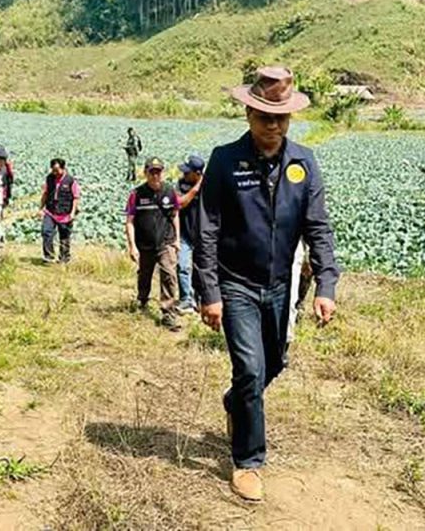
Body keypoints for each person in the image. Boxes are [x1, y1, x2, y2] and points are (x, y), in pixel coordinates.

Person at [194, 66, 340, 503]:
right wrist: (210, 292)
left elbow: (318, 228)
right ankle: (248, 461)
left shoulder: (303, 162)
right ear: (248, 114)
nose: (273, 126)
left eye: (281, 117)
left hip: (281, 285)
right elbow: (206, 230)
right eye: (264, 117)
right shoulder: (225, 160)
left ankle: (237, 402)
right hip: (235, 283)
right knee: (250, 369)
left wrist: (326, 285)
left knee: (274, 362)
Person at [125, 157, 182, 331]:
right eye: (152, 172)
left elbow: (175, 215)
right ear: (145, 173)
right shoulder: (136, 194)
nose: (155, 175)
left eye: (158, 172)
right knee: (144, 275)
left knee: (169, 275)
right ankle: (142, 299)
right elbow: (129, 221)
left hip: (166, 242)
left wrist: (177, 239)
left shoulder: (170, 191)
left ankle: (168, 313)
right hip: (145, 245)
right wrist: (132, 246)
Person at [175, 155, 205, 313]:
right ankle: (186, 299)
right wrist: (196, 189)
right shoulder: (182, 184)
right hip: (185, 233)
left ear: (197, 173)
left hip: (203, 235)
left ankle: (200, 300)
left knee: (202, 269)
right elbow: (179, 203)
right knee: (182, 266)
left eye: (187, 172)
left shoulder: (211, 184)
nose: (184, 174)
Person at [40, 158, 80, 264]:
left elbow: (76, 197)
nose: (54, 172)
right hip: (50, 211)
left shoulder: (71, 181)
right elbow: (45, 193)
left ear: (63, 168)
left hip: (65, 213)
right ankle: (49, 256)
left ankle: (64, 258)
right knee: (46, 231)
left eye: (57, 170)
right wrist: (41, 208)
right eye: (53, 170)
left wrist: (72, 213)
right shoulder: (49, 178)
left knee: (64, 236)